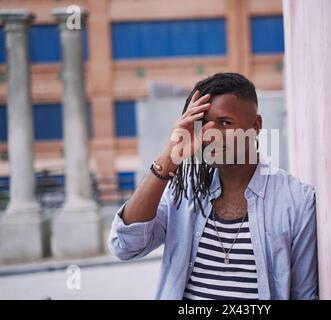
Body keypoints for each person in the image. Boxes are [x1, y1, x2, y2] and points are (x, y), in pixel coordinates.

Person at [109, 72, 318, 300]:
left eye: (225, 123)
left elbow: (304, 294)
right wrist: (168, 159)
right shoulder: (183, 191)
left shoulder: (296, 200)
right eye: (202, 125)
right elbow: (125, 246)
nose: (210, 136)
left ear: (256, 126)